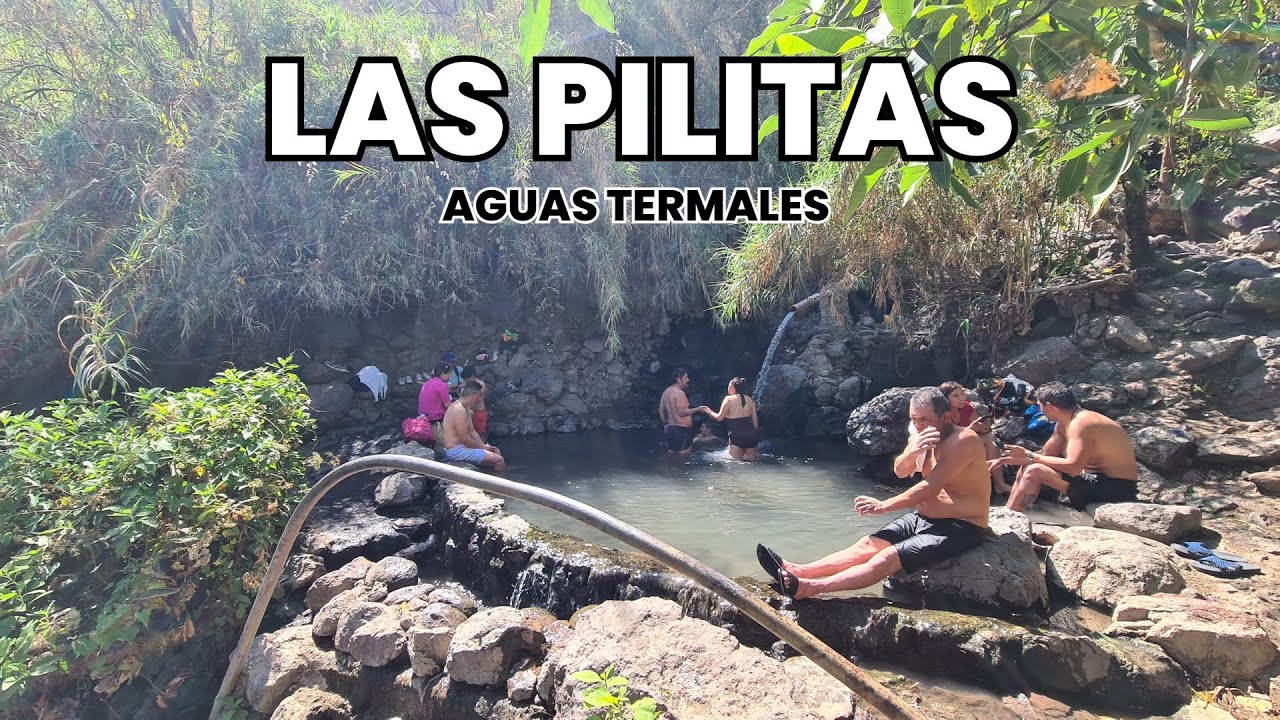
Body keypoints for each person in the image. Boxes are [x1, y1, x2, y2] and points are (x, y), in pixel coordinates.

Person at [755, 387, 990, 599]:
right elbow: (901, 471)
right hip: (923, 517)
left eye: (924, 419)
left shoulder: (963, 440)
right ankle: (796, 570)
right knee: (866, 545)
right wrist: (914, 450)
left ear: (946, 417)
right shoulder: (922, 434)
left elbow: (930, 487)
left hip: (962, 525)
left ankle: (809, 587)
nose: (917, 425)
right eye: (914, 419)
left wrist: (883, 506)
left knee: (887, 557)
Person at [991, 382, 1138, 511]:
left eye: (1039, 406)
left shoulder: (1082, 423)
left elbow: (1073, 467)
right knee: (1028, 466)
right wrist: (1007, 459)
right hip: (1092, 479)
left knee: (1035, 470)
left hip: (1116, 488)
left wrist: (1030, 455)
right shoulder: (1064, 423)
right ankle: (1009, 513)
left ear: (1049, 407)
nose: (1039, 410)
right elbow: (1046, 454)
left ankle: (1012, 521)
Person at [940, 381, 1010, 494]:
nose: (962, 398)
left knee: (990, 437)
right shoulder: (942, 414)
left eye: (962, 394)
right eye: (956, 396)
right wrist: (970, 429)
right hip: (949, 449)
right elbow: (946, 440)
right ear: (946, 399)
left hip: (967, 444)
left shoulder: (966, 407)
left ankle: (999, 484)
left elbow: (977, 426)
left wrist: (984, 427)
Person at [441, 380, 506, 471]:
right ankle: (500, 483)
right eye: (479, 396)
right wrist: (485, 447)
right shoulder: (459, 410)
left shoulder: (465, 408)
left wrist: (485, 447)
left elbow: (472, 431)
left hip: (462, 448)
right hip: (456, 451)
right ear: (472, 395)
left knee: (496, 452)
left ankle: (489, 479)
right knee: (499, 460)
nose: (480, 399)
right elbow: (465, 440)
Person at [702, 377, 760, 460]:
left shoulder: (728, 399)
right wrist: (753, 434)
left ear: (733, 387)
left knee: (734, 464)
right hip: (751, 435)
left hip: (737, 435)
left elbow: (719, 418)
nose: (728, 388)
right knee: (751, 463)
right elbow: (755, 422)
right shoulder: (749, 399)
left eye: (729, 386)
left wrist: (708, 411)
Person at [658, 367, 709, 458]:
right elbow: (681, 413)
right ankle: (679, 472)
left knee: (671, 455)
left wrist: (666, 423)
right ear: (678, 379)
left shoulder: (666, 392)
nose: (688, 380)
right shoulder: (679, 393)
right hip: (682, 431)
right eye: (685, 378)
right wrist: (698, 409)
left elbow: (661, 410)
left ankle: (665, 471)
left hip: (670, 429)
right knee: (682, 457)